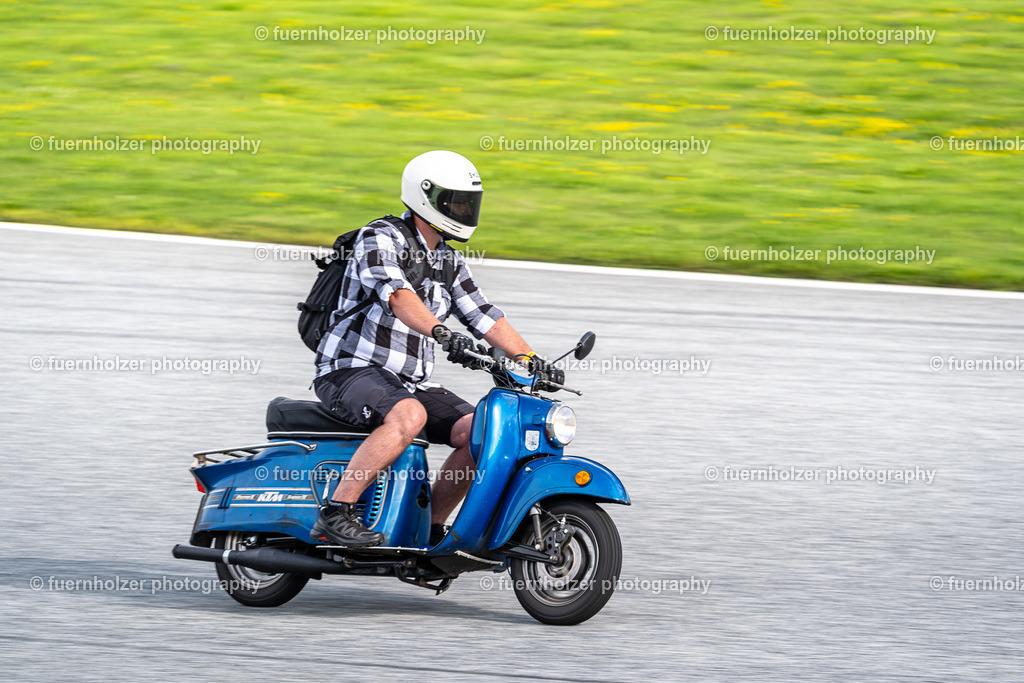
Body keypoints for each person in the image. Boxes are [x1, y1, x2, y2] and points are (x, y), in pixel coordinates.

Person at [310, 150, 537, 547]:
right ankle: (336, 512)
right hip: (349, 369)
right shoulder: (378, 238)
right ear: (424, 197)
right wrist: (442, 332)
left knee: (483, 430)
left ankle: (428, 526)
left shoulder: (447, 260)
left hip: (409, 381)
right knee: (409, 413)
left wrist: (531, 360)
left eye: (469, 202)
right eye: (457, 202)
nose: (464, 210)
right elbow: (397, 296)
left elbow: (484, 315)